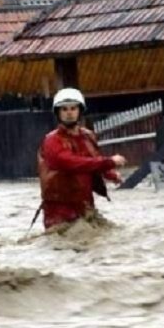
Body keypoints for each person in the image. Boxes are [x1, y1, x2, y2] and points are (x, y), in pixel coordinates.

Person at [37, 88, 127, 229]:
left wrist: (110, 174)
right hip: (59, 211)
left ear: (80, 111)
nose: (69, 113)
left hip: (85, 205)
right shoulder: (52, 141)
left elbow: (93, 161)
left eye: (73, 108)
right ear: (58, 113)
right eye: (64, 109)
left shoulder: (88, 136)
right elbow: (69, 162)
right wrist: (108, 162)